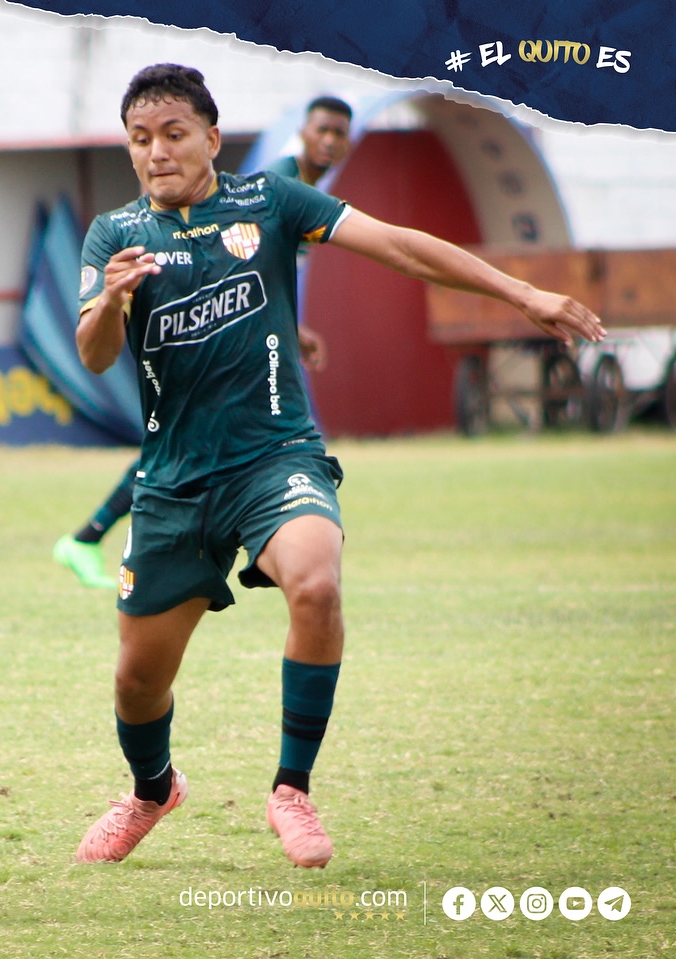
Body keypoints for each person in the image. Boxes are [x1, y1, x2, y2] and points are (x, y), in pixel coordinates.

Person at [71, 63, 604, 869]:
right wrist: (110, 300)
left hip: (275, 455)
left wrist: (521, 293)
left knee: (315, 581)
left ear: (212, 138)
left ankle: (291, 788)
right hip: (175, 482)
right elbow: (96, 353)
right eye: (140, 140)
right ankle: (152, 789)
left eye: (174, 135)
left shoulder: (271, 202)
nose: (156, 153)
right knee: (137, 683)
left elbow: (398, 245)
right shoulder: (116, 235)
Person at [52, 96, 349, 590]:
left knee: (182, 446)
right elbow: (233, 265)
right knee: (176, 446)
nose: (330, 141)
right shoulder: (282, 182)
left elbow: (256, 284)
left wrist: (289, 331)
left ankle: (85, 539)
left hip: (230, 353)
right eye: (323, 130)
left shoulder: (307, 188)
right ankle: (85, 539)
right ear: (306, 131)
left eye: (340, 134)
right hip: (188, 351)